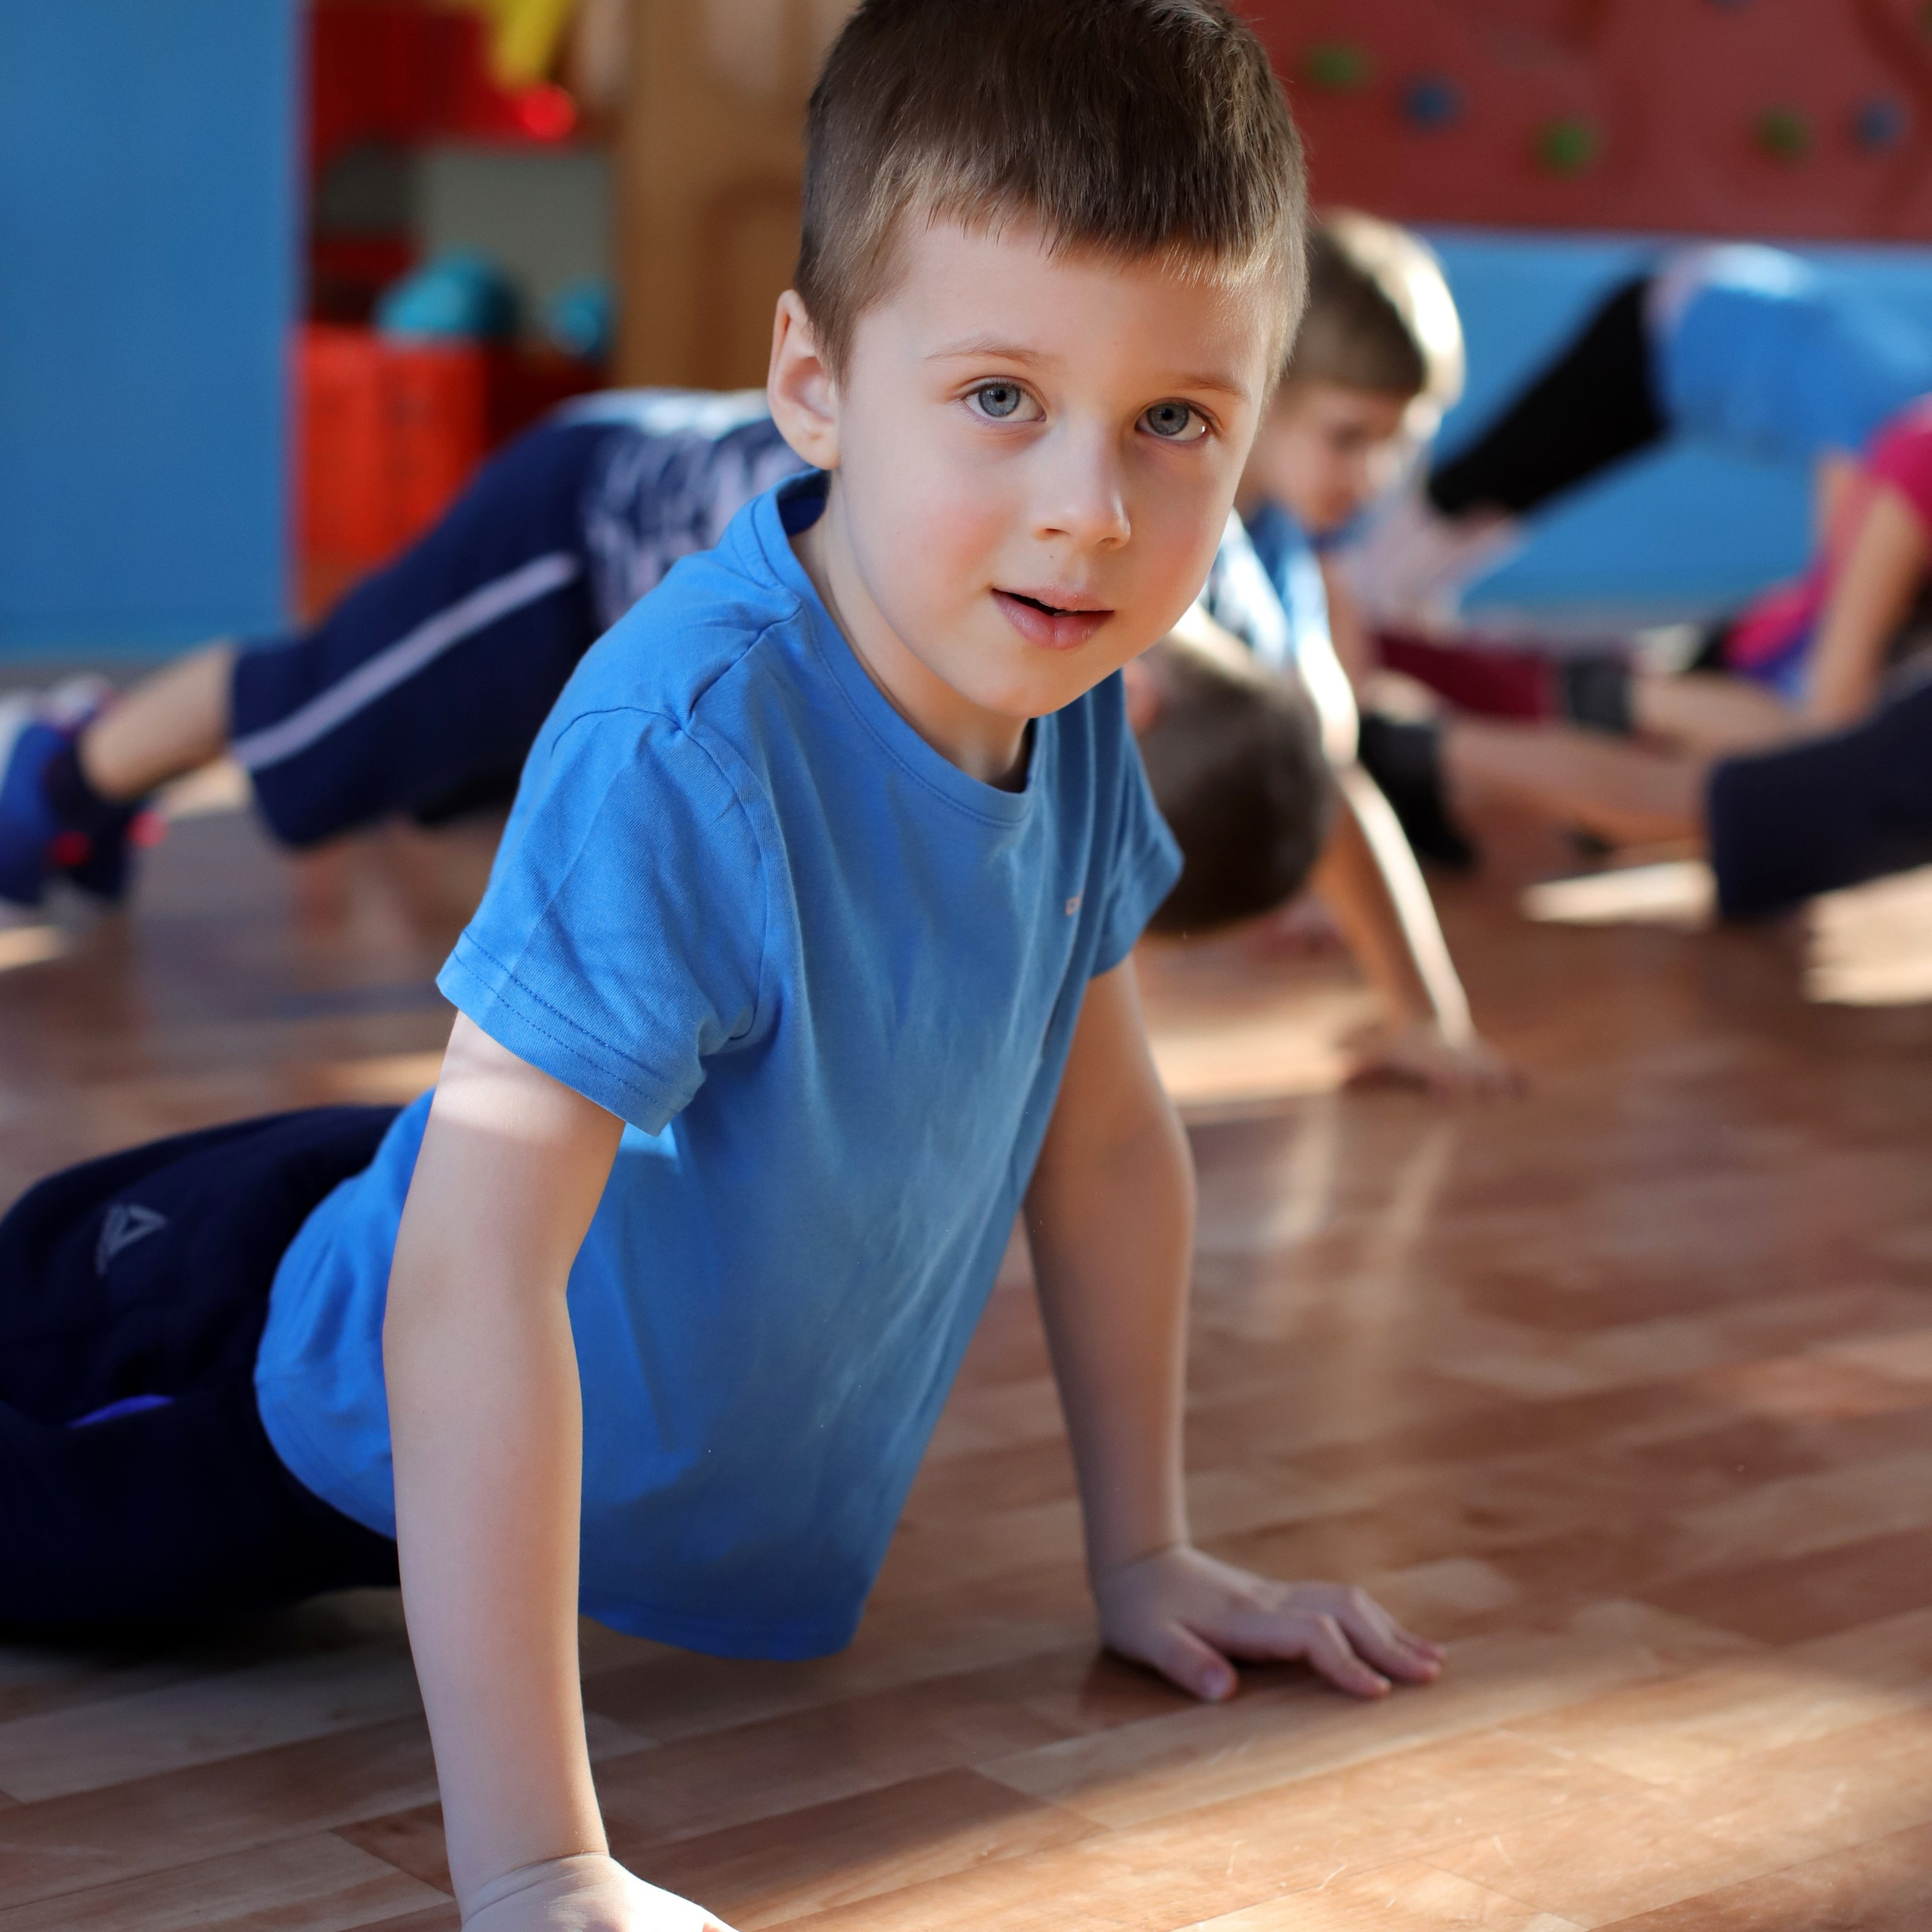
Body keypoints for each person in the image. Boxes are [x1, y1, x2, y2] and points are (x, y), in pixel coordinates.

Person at [0, 9, 1444, 1932]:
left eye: (1172, 420)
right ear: (814, 380)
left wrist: (1147, 1550)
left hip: (426, 1277)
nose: (1087, 512)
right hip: (284, 1377)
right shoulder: (689, 742)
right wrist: (535, 1861)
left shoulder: (1073, 693)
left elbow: (1097, 1142)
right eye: (1001, 394)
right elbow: (471, 1269)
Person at [0, 238, 1511, 1095]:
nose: (1371, 475)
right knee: (315, 722)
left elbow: (1318, 778)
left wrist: (1421, 1009)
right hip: (583, 526)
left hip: (695, 613)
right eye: (1350, 438)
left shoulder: (1233, 573)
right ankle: (66, 767)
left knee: (440, 770)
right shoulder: (1094, 579)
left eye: (1401, 448)